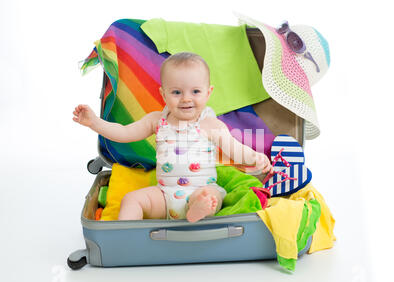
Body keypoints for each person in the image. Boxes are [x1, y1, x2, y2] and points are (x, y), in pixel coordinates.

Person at [73, 52, 273, 222]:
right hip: (164, 196)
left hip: (201, 190)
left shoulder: (210, 125)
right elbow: (125, 133)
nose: (186, 98)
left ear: (208, 93)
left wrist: (255, 158)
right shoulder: (156, 121)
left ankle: (198, 210)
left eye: (195, 91)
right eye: (176, 92)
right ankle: (125, 236)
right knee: (131, 199)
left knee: (211, 197)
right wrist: (94, 123)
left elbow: (235, 149)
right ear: (163, 94)